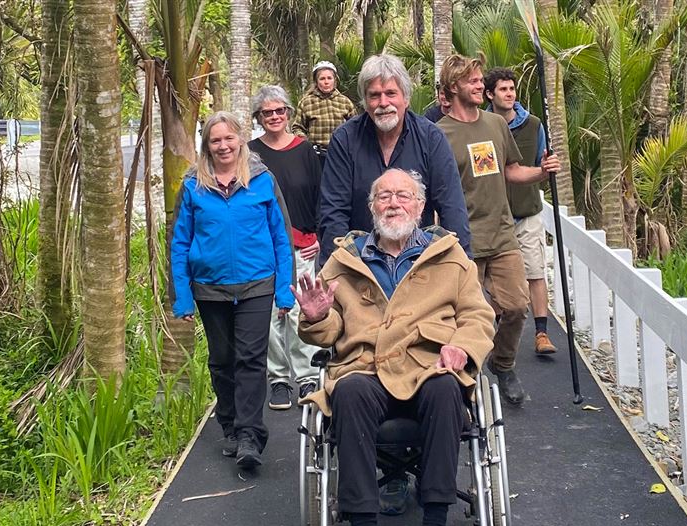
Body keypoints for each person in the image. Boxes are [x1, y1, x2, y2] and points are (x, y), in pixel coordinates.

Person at [294, 168, 495, 526]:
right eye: (383, 196)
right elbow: (330, 327)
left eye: (403, 196)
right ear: (371, 208)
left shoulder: (451, 258)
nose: (393, 203)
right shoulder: (343, 261)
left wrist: (462, 346)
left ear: (421, 207)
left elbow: (478, 315)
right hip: (366, 367)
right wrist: (315, 317)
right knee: (346, 391)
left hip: (428, 364)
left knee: (446, 390)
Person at [171, 111, 295, 469]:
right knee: (222, 360)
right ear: (206, 146)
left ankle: (250, 436)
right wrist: (181, 295)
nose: (223, 146)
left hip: (257, 284)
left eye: (229, 138)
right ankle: (229, 423)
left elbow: (281, 238)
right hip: (210, 288)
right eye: (215, 140)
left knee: (250, 359)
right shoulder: (194, 185)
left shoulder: (261, 181)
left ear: (240, 140)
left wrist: (284, 291)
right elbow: (179, 243)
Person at [436, 54, 560, 406]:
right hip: (462, 241)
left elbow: (512, 170)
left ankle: (503, 364)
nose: (480, 86)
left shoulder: (495, 125)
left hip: (503, 233)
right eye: (473, 81)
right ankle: (464, 378)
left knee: (517, 306)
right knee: (468, 316)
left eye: (480, 80)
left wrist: (541, 172)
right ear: (454, 87)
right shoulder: (438, 134)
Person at [318, 53, 472, 266]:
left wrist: (461, 265)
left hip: (419, 262)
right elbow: (333, 212)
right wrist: (336, 271)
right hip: (360, 264)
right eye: (374, 95)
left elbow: (451, 207)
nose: (383, 103)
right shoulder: (345, 140)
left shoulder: (431, 138)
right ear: (364, 101)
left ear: (406, 98)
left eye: (391, 93)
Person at [249, 85, 323, 410]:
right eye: (268, 112)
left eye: (280, 111)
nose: (275, 117)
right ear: (259, 117)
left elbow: (321, 194)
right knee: (268, 314)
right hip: (262, 246)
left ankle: (306, 375)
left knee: (297, 310)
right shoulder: (249, 154)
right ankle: (278, 379)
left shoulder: (305, 150)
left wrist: (320, 234)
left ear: (289, 114)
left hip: (303, 244)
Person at [484, 67, 557, 355]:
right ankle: (498, 328)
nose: (510, 94)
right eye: (503, 89)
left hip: (527, 211)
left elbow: (542, 162)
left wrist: (548, 167)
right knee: (494, 278)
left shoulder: (534, 125)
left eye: (512, 89)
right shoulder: (483, 125)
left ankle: (542, 333)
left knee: (535, 271)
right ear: (490, 94)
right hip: (495, 215)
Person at [294, 61, 356, 153]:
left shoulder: (345, 102)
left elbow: (355, 128)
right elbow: (297, 127)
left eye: (329, 78)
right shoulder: (306, 102)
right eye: (322, 79)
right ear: (316, 81)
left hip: (340, 153)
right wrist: (305, 142)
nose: (326, 82)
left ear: (335, 80)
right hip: (316, 155)